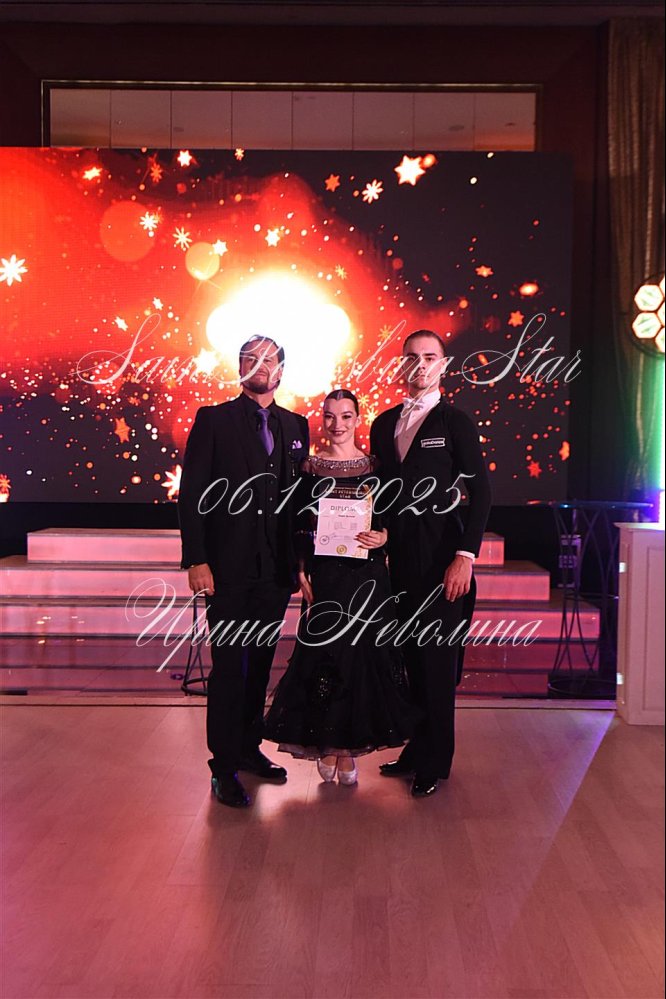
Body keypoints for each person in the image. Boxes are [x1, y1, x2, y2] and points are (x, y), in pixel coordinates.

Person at [178, 336, 309, 808]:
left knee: (260, 667)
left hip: (274, 572)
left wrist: (302, 562)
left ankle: (250, 749)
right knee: (231, 668)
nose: (259, 365)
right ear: (239, 368)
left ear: (281, 369)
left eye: (268, 358)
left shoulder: (296, 425)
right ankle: (223, 766)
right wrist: (196, 558)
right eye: (250, 358)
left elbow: (299, 501)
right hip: (227, 570)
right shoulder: (213, 420)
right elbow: (192, 493)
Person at [264, 390, 415, 785]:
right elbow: (298, 524)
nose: (338, 424)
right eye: (330, 416)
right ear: (323, 419)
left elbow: (392, 519)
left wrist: (384, 538)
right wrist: (301, 570)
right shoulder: (308, 468)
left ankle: (346, 748)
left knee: (362, 661)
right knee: (326, 660)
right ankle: (328, 743)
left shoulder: (377, 467)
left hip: (367, 576)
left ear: (357, 419)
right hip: (326, 576)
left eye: (346, 416)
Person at [370, 329, 492, 798]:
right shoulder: (384, 423)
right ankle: (415, 750)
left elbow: (481, 493)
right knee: (409, 661)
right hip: (398, 563)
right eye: (411, 357)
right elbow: (379, 493)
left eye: (429, 357)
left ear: (443, 365)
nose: (419, 365)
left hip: (444, 563)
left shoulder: (455, 422)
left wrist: (465, 557)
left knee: (437, 664)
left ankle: (435, 762)